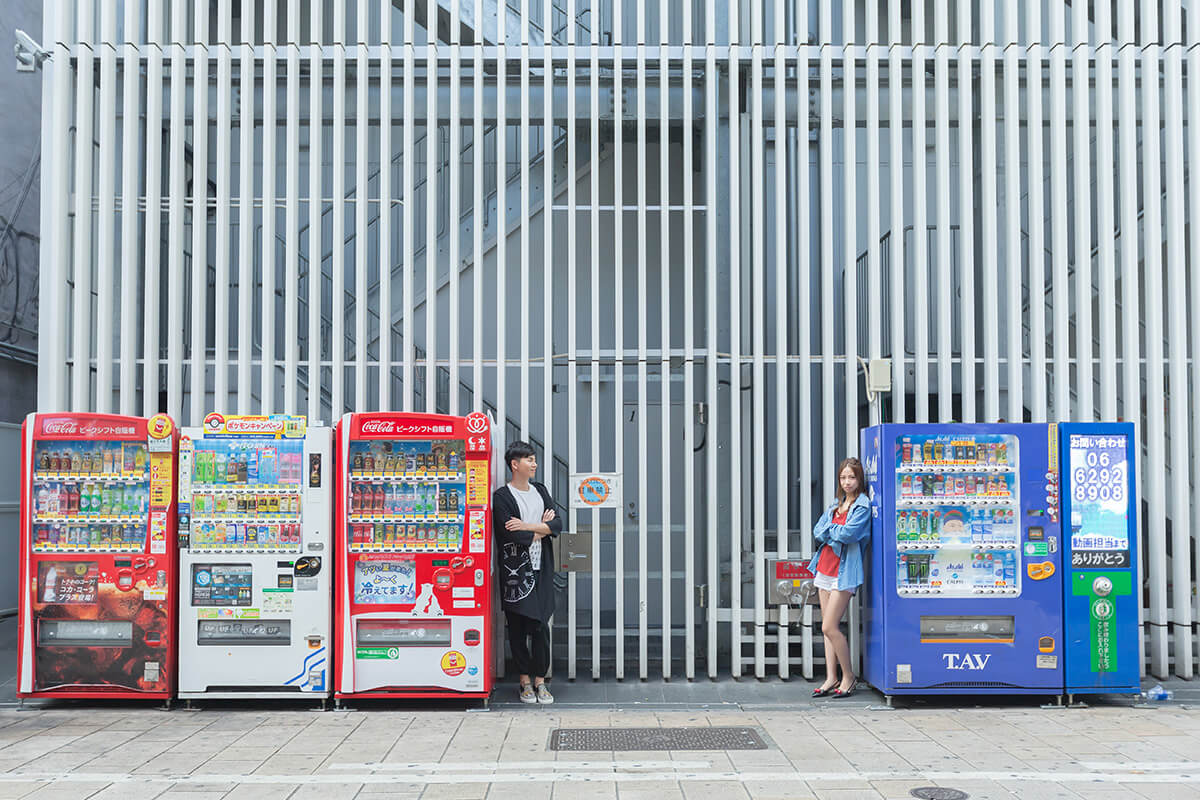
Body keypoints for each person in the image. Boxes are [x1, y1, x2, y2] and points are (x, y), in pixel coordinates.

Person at [493, 440, 562, 704]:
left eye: (534, 460)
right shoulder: (502, 497)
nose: (534, 464)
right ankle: (524, 682)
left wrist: (528, 525)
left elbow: (557, 524)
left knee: (541, 625)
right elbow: (511, 533)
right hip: (515, 571)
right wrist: (539, 529)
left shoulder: (540, 491)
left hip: (540, 568)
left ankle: (540, 681)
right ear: (515, 464)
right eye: (529, 460)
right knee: (518, 627)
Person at [809, 457, 872, 698]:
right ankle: (830, 677)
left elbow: (848, 534)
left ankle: (848, 676)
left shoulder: (862, 506)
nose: (847, 482)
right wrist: (832, 531)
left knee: (829, 626)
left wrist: (830, 531)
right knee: (827, 629)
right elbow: (817, 531)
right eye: (843, 477)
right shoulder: (836, 506)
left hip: (845, 572)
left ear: (859, 479)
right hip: (825, 568)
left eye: (852, 477)